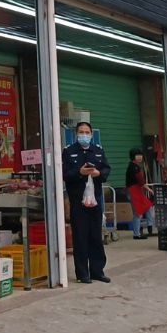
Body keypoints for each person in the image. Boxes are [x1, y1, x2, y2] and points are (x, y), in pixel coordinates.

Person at [63, 121, 110, 283]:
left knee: (96, 236)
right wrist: (80, 172)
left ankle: (98, 271)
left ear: (91, 134)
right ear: (76, 134)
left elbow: (106, 169)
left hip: (95, 201)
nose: (84, 135)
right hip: (78, 203)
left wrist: (99, 173)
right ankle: (83, 274)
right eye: (81, 132)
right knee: (81, 238)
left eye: (87, 132)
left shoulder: (97, 150)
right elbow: (65, 174)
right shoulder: (69, 152)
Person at [125, 148, 156, 240]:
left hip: (137, 191)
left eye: (140, 155)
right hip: (133, 191)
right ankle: (137, 234)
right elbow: (140, 180)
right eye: (137, 155)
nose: (139, 157)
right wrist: (149, 189)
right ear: (133, 157)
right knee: (137, 213)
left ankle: (150, 226)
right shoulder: (134, 167)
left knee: (148, 206)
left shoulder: (135, 166)